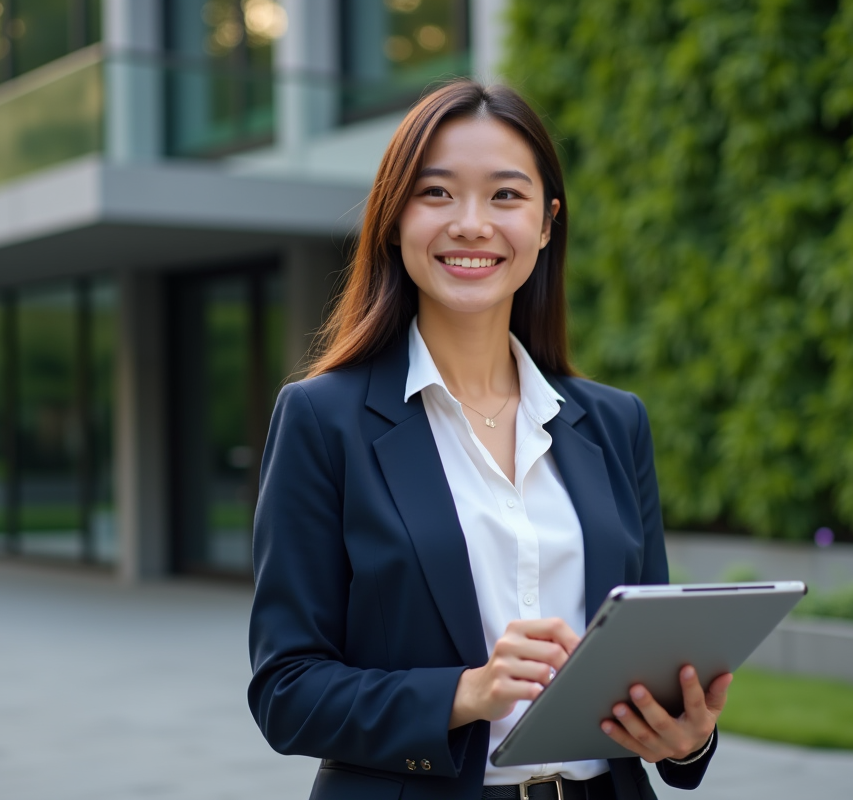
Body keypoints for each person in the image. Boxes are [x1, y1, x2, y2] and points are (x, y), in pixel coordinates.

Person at [248, 79, 732, 800]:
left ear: (546, 223)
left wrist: (687, 739)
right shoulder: (324, 419)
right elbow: (286, 691)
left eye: (506, 196)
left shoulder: (614, 422)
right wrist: (465, 693)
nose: (472, 224)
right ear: (393, 219)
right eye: (437, 193)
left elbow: (649, 659)